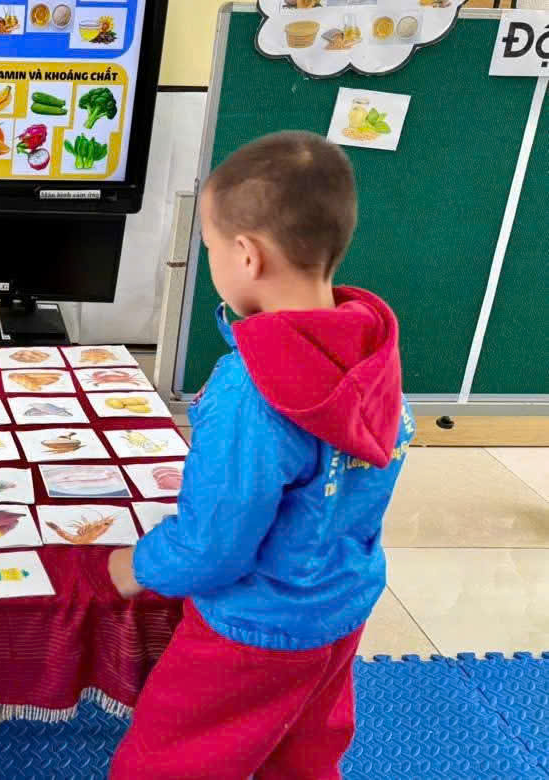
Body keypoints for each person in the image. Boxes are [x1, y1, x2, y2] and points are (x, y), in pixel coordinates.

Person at [108, 131, 412, 780]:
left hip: (250, 630)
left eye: (210, 246)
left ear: (246, 255)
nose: (213, 259)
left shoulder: (249, 389)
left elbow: (213, 548)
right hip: (340, 610)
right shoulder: (371, 345)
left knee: (162, 766)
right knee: (302, 758)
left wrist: (135, 565)